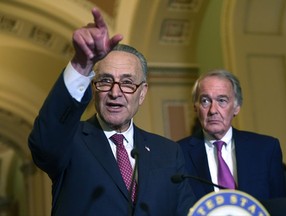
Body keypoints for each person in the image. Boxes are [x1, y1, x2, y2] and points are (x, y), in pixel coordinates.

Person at [28, 7, 196, 216]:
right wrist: (82, 65)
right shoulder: (70, 141)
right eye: (106, 81)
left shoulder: (169, 153)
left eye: (127, 83)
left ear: (142, 93)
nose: (115, 92)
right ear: (94, 86)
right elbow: (43, 144)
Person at [178, 69, 286, 203]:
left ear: (236, 107)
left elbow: (280, 207)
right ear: (196, 107)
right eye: (205, 101)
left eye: (222, 100)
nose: (213, 110)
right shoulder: (177, 153)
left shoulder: (266, 149)